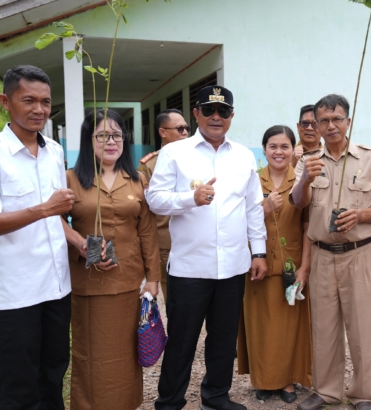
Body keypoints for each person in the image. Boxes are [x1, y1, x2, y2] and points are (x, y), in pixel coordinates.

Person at [147, 85, 267, 410]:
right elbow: (155, 200)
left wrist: (259, 252)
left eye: (223, 111)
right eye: (209, 110)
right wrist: (190, 199)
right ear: (196, 113)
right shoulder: (175, 153)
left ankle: (215, 397)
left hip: (232, 266)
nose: (216, 117)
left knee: (224, 340)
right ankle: (170, 401)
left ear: (231, 116)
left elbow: (254, 207)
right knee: (183, 342)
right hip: (189, 268)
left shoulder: (243, 155)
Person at [0, 65, 74, 409]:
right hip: (17, 290)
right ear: (5, 101)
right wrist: (44, 208)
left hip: (57, 285)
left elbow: (57, 217)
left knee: (54, 373)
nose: (39, 109)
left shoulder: (54, 151)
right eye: (28, 100)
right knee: (20, 382)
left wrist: (77, 240)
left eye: (45, 102)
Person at [291, 94, 371, 410]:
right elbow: (298, 202)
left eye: (337, 119)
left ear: (348, 121)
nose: (330, 125)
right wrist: (306, 180)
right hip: (323, 254)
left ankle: (363, 393)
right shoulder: (308, 161)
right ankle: (326, 391)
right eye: (323, 120)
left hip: (359, 254)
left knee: (362, 326)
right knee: (324, 327)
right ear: (316, 125)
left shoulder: (370, 158)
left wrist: (361, 215)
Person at [64, 109, 161, 409]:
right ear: (88, 139)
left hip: (127, 282)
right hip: (87, 283)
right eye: (102, 135)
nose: (111, 141)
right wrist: (81, 245)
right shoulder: (71, 179)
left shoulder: (135, 181)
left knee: (124, 354)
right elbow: (54, 221)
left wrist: (153, 279)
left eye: (117, 134)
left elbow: (147, 232)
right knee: (91, 354)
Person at [237, 125, 313, 403]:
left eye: (284, 146)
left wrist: (305, 267)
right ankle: (263, 380)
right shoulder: (252, 182)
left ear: (293, 150)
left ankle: (287, 381)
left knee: (289, 327)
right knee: (259, 325)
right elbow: (235, 222)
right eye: (273, 146)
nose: (278, 152)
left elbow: (308, 228)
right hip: (258, 265)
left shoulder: (303, 182)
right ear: (264, 150)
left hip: (290, 267)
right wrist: (263, 209)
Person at [138, 108, 192, 305]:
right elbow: (146, 207)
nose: (185, 132)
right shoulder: (149, 165)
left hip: (196, 235)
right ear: (163, 132)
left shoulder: (197, 158)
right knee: (175, 299)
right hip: (167, 239)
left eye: (186, 128)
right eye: (179, 129)